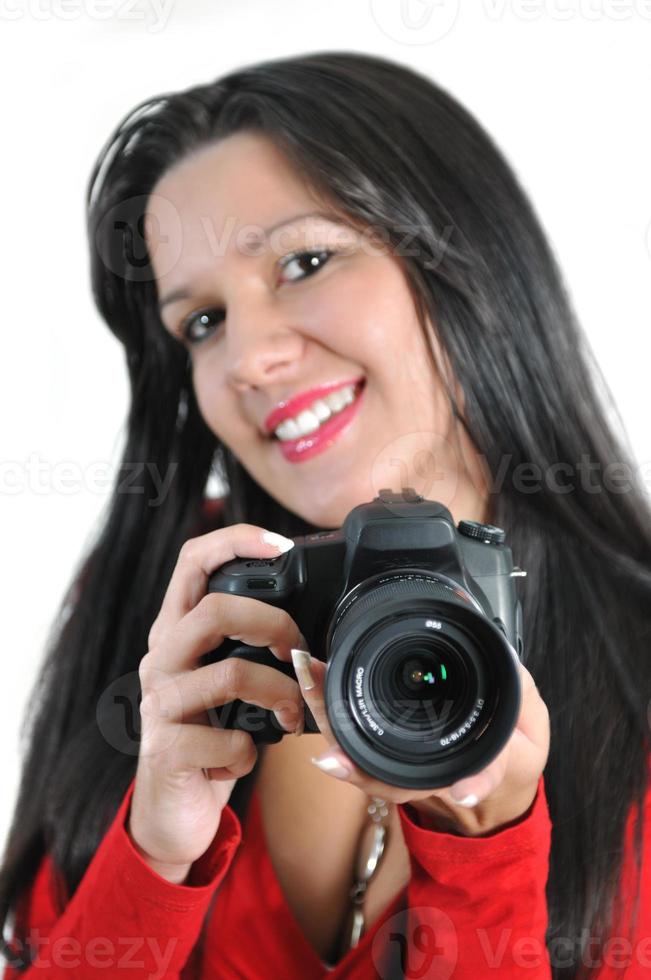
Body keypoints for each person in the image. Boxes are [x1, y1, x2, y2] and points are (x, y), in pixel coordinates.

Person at [1, 50, 650, 980]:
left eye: (305, 261)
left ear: (466, 260)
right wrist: (152, 856)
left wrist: (485, 851)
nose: (248, 361)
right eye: (202, 323)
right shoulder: (168, 616)